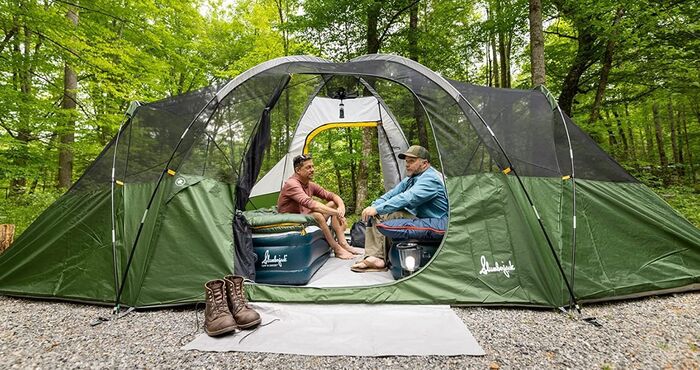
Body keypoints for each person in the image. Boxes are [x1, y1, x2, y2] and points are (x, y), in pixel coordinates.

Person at [351, 145, 448, 272]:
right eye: (406, 161)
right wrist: (374, 205)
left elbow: (408, 198)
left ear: (424, 163)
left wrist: (378, 210)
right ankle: (375, 257)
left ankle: (377, 258)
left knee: (389, 213)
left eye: (412, 161)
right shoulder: (412, 178)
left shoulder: (431, 178)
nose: (407, 165)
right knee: (382, 211)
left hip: (437, 221)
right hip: (422, 217)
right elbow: (391, 194)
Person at [277, 154, 362, 259]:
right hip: (291, 218)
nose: (312, 170)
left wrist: (341, 207)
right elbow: (312, 204)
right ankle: (337, 249)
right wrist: (337, 213)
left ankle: (343, 243)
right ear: (298, 170)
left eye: (313, 166)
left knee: (333, 203)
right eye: (308, 167)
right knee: (318, 215)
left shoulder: (309, 184)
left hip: (305, 216)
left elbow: (332, 196)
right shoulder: (292, 184)